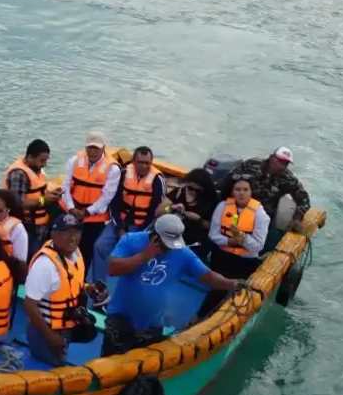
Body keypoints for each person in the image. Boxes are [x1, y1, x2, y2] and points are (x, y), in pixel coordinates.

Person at [105, 214, 246, 353]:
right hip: (120, 318)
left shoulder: (182, 253)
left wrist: (231, 284)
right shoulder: (131, 240)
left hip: (152, 325)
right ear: (155, 235)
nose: (169, 248)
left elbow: (208, 276)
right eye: (166, 244)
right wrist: (143, 256)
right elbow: (112, 269)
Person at [22, 213, 88, 366]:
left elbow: (70, 284)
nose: (73, 237)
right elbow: (29, 305)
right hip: (45, 332)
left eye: (77, 232)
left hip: (66, 326)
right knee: (52, 368)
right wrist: (50, 337)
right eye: (67, 233)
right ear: (54, 235)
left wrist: (88, 288)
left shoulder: (75, 253)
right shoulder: (45, 265)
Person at [94, 145, 165, 273]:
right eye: (141, 162)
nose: (144, 166)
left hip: (142, 227)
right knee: (100, 246)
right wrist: (119, 228)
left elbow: (155, 213)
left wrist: (138, 235)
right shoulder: (123, 174)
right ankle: (99, 281)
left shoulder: (158, 180)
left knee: (133, 254)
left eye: (147, 163)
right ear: (133, 161)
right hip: (120, 221)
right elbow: (114, 203)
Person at [60, 132, 120, 275]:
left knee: (87, 251)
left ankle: (82, 280)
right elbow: (65, 187)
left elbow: (107, 196)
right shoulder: (74, 161)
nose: (92, 151)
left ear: (103, 148)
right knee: (66, 247)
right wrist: (71, 208)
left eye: (96, 148)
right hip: (73, 213)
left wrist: (87, 212)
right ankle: (64, 274)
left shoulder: (113, 169)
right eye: (89, 148)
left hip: (94, 219)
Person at [231, 146, 311, 249]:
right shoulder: (251, 164)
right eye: (280, 161)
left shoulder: (288, 178)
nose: (282, 166)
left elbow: (304, 199)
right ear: (271, 157)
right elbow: (230, 179)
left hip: (263, 220)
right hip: (238, 211)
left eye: (286, 163)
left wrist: (297, 218)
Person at [208, 176, 271, 272]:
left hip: (245, 261)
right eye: (237, 189)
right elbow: (213, 234)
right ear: (232, 192)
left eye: (246, 190)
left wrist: (241, 236)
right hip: (221, 256)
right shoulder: (222, 206)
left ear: (251, 192)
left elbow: (258, 246)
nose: (242, 193)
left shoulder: (261, 215)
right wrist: (228, 241)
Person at [3, 140, 52, 248]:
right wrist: (44, 200)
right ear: (30, 157)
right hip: (27, 225)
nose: (45, 164)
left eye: (46, 160)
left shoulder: (37, 169)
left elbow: (38, 191)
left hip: (40, 224)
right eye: (42, 160)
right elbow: (17, 203)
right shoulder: (18, 174)